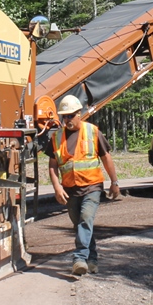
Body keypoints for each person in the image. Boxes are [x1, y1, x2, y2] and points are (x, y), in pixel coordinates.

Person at [45, 95, 120, 276]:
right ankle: (92, 260)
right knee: (80, 224)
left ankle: (79, 259)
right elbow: (53, 165)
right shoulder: (56, 137)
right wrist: (57, 187)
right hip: (70, 189)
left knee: (86, 219)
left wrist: (114, 182)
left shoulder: (92, 131)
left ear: (80, 114)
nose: (68, 120)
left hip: (92, 186)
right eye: (65, 117)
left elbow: (106, 157)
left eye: (71, 115)